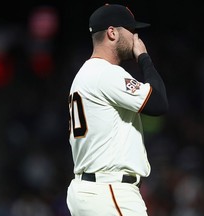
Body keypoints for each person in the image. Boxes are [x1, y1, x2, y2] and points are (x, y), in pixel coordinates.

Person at [66, 3, 168, 216]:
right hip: (109, 190)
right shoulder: (106, 73)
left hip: (89, 189)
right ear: (112, 33)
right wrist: (144, 58)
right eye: (131, 31)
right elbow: (158, 103)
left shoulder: (83, 74)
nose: (135, 38)